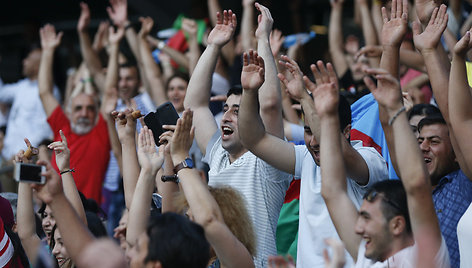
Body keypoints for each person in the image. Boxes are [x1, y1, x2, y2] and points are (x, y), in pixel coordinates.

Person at [239, 50, 387, 267]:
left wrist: (303, 98)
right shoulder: (305, 159)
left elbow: (333, 147)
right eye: (307, 131)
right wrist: (249, 92)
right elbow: (254, 140)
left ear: (347, 131)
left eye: (319, 129)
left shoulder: (370, 159)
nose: (314, 141)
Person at [183, 6, 291, 267]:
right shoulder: (218, 154)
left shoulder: (266, 162)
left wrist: (262, 38)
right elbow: (195, 106)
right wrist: (213, 47)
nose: (227, 117)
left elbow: (270, 106)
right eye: (225, 109)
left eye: (238, 111)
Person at [38, 24, 110, 203]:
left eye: (90, 108)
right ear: (69, 112)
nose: (84, 113)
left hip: (91, 216)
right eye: (78, 108)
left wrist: (86, 37)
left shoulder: (101, 131)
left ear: (96, 112)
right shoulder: (61, 129)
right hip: (58, 212)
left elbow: (109, 92)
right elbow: (44, 92)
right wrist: (47, 52)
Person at [0, 47, 60, 160]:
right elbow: (1, 93)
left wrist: (24, 154)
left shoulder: (50, 92)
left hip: (28, 158)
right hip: (8, 157)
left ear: (38, 67)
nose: (24, 62)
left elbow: (45, 129)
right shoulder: (22, 86)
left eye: (28, 59)